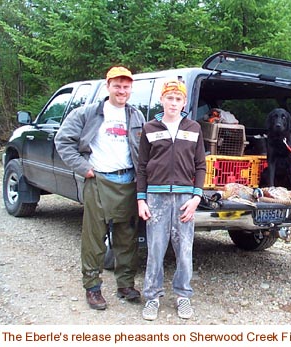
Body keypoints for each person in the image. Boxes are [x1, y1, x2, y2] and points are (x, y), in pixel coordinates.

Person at [55, 66, 146, 310]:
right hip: (99, 181)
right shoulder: (86, 113)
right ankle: (93, 287)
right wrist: (83, 168)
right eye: (117, 85)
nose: (122, 91)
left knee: (127, 238)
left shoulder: (136, 116)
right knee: (94, 238)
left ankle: (125, 285)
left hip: (128, 182)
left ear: (130, 89)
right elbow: (63, 141)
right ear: (108, 86)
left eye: (126, 86)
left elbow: (145, 151)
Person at [136, 78, 206, 320]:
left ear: (184, 102)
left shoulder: (194, 128)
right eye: (169, 98)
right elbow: (142, 167)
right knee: (155, 249)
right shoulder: (149, 128)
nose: (173, 103)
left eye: (178, 99)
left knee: (185, 250)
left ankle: (183, 296)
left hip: (185, 197)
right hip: (156, 197)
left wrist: (197, 197)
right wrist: (141, 199)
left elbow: (200, 166)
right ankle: (152, 297)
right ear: (162, 100)